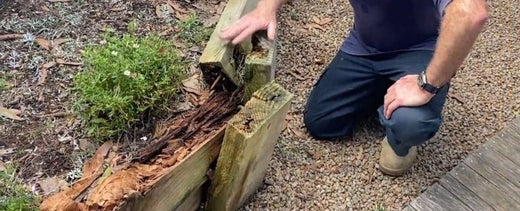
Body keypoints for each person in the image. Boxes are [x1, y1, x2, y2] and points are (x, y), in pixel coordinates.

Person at [220, 0, 488, 176]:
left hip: (420, 51)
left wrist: (427, 82)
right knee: (321, 123)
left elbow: (471, 14)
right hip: (365, 46)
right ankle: (385, 91)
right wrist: (266, 9)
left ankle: (400, 142)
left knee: (409, 122)